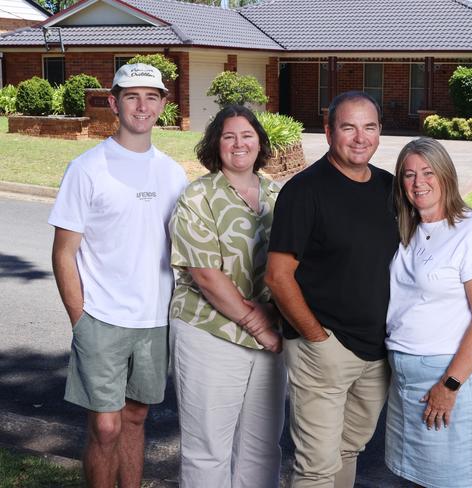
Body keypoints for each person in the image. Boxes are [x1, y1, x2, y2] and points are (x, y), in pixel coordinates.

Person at [49, 63, 187, 488]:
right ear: (114, 103)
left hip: (153, 320)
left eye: (151, 96)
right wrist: (80, 320)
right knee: (106, 427)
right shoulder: (87, 168)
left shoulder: (173, 174)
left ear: (164, 105)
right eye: (131, 96)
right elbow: (63, 253)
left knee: (136, 418)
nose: (141, 106)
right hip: (101, 320)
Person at [265, 91, 399, 487]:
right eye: (348, 127)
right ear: (328, 132)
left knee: (347, 450)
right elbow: (277, 276)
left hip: (377, 352)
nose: (360, 137)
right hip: (323, 348)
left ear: (379, 132)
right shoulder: (304, 191)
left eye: (369, 127)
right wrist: (316, 338)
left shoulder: (390, 189)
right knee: (316, 466)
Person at [168, 105, 286, 488]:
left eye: (247, 135)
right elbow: (204, 273)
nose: (239, 143)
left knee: (263, 446)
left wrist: (274, 322)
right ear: (216, 144)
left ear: (259, 142)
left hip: (270, 335)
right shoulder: (198, 195)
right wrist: (260, 327)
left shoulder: (277, 195)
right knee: (208, 450)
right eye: (228, 136)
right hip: (210, 333)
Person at [384, 137, 472, 488]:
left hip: (448, 376)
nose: (418, 183)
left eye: (427, 172)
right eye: (408, 175)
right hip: (405, 379)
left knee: (452, 480)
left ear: (446, 175)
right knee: (412, 478)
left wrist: (450, 384)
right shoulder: (410, 229)